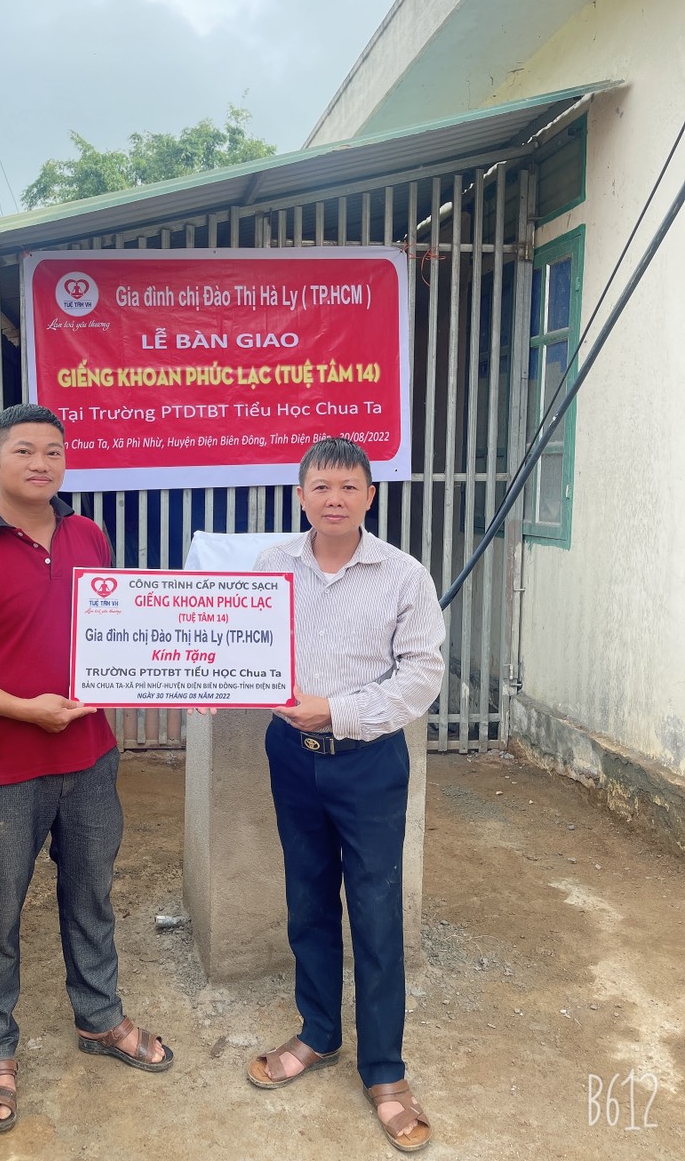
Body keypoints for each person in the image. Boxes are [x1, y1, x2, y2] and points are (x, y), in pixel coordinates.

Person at [0, 403, 172, 1134]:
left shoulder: (89, 535)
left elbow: (116, 635)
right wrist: (24, 710)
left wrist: (179, 670)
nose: (41, 463)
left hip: (90, 757)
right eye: (24, 450)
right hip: (4, 770)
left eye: (53, 451)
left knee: (91, 895)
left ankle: (99, 1017)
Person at [245, 436, 445, 1154]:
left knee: (376, 910)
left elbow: (421, 675)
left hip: (369, 762)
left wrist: (336, 710)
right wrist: (207, 679)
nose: (335, 499)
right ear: (301, 495)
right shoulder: (271, 567)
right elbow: (239, 644)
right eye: (322, 487)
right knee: (307, 899)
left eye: (349, 487)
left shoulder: (403, 575)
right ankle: (319, 1032)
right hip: (291, 758)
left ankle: (385, 1070)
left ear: (370, 495)